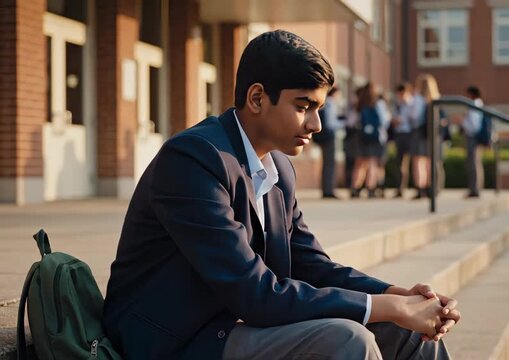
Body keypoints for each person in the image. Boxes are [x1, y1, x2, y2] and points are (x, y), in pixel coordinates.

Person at [103, 30, 460, 360]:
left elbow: (313, 266)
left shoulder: (278, 169)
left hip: (234, 324)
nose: (316, 125)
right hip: (177, 340)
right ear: (257, 98)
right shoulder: (194, 160)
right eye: (303, 107)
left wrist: (400, 297)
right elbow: (255, 293)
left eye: (318, 109)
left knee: (407, 334)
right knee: (349, 339)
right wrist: (387, 308)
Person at [350, 83, 391, 198]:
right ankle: (371, 188)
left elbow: (351, 121)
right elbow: (384, 121)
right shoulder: (378, 103)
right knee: (372, 163)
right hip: (376, 136)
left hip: (361, 136)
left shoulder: (359, 104)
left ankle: (355, 188)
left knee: (360, 163)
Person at [314, 86, 342, 199]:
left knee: (326, 164)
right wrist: (344, 123)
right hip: (329, 138)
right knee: (329, 164)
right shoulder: (330, 104)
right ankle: (328, 190)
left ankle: (326, 188)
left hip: (323, 138)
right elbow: (331, 124)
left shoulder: (325, 103)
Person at [390, 83, 414, 198]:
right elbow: (393, 120)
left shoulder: (412, 104)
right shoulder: (397, 105)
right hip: (399, 134)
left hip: (409, 134)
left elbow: (414, 118)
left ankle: (419, 187)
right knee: (399, 162)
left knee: (412, 161)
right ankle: (400, 188)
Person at [462, 85, 485, 198]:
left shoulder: (475, 104)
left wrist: (463, 122)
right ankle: (475, 188)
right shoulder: (478, 104)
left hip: (473, 137)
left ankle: (474, 189)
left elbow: (474, 125)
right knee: (475, 163)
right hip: (474, 137)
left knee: (473, 163)